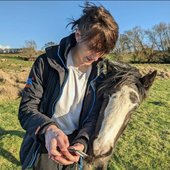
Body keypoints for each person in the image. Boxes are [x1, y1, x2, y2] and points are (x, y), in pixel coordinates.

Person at [18, 2, 119, 170]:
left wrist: (82, 142)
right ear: (78, 34)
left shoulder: (101, 75)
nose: (96, 56)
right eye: (92, 47)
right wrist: (49, 129)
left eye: (102, 51)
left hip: (75, 148)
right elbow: (27, 109)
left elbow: (95, 116)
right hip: (44, 142)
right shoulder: (46, 63)